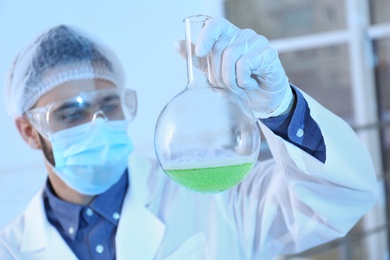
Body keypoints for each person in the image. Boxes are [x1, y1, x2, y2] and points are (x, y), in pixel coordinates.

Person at [0, 16, 378, 259]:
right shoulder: (11, 249)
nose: (98, 123)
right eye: (71, 112)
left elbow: (343, 198)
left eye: (109, 105)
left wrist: (280, 107)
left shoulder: (214, 196)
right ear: (29, 132)